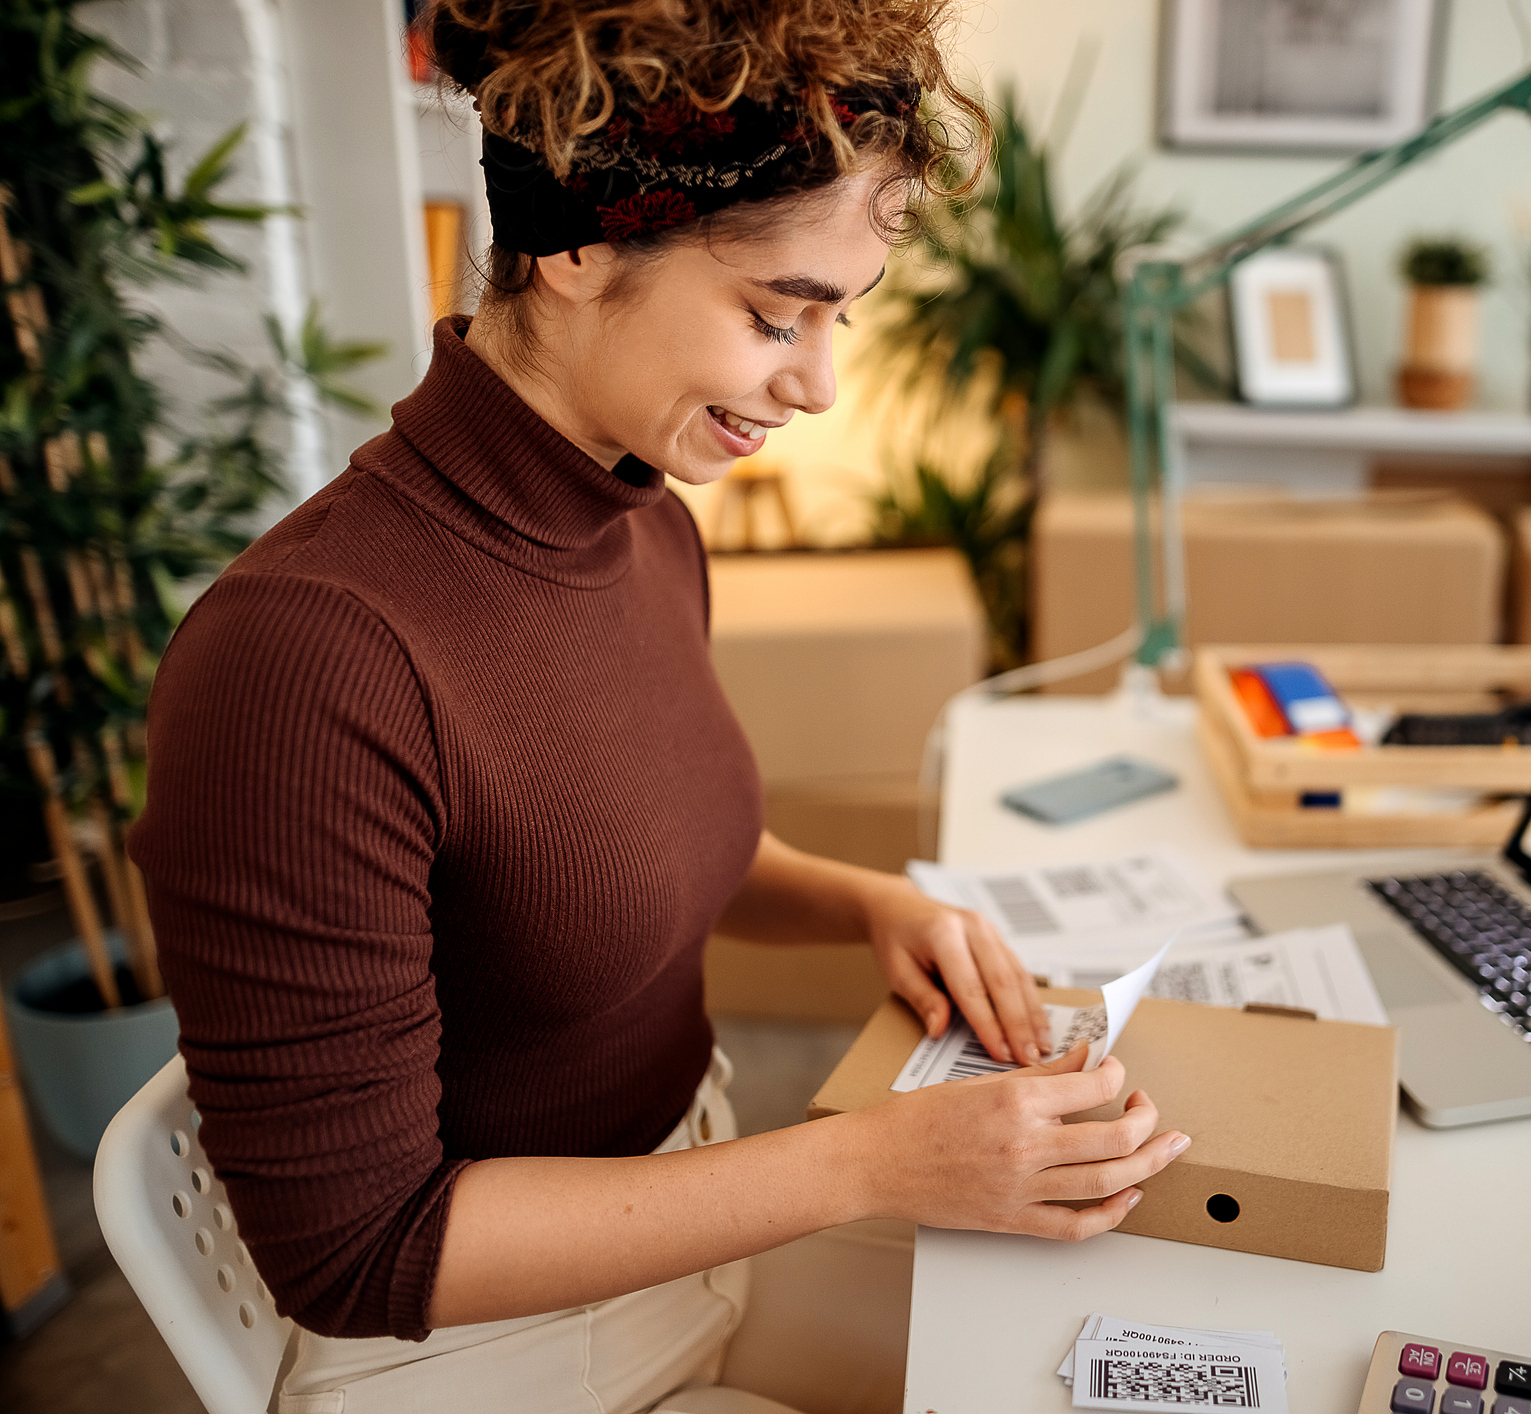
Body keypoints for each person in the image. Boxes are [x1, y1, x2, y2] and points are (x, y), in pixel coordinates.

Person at [128, 3, 1184, 1409]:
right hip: (484, 1349)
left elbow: (624, 846)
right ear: (574, 244)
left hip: (700, 1212)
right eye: (774, 315)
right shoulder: (305, 660)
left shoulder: (640, 516)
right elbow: (360, 1251)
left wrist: (871, 902)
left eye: (838, 318)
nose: (816, 384)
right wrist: (874, 1159)